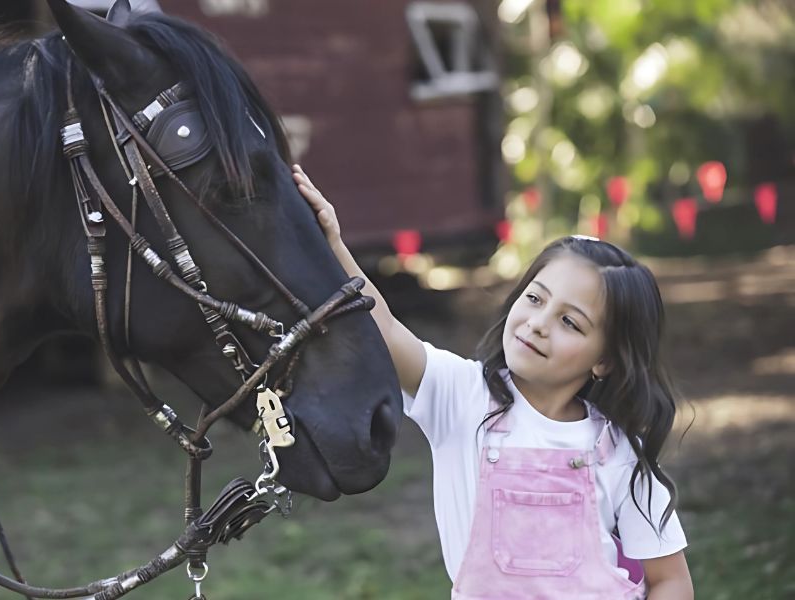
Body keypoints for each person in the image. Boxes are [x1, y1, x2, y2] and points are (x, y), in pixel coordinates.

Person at [292, 165, 693, 599]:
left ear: (605, 361)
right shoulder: (461, 397)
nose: (538, 324)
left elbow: (670, 580)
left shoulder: (617, 452)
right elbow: (384, 330)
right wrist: (332, 242)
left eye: (570, 323)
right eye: (535, 298)